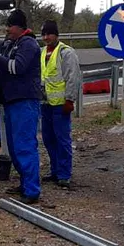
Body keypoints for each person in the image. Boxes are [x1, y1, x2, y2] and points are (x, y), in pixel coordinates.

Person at [0, 9, 43, 204]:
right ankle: (25, 184)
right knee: (14, 146)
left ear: (19, 27)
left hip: (24, 101)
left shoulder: (28, 44)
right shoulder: (12, 44)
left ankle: (32, 190)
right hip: (11, 101)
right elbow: (0, 66)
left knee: (24, 146)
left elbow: (16, 68)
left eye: (9, 26)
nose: (7, 30)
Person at [39, 20, 81, 189]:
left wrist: (70, 100)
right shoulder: (42, 53)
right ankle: (55, 170)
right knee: (49, 139)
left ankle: (64, 174)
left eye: (49, 34)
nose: (46, 37)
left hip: (61, 104)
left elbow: (73, 77)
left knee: (62, 139)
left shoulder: (66, 53)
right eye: (43, 34)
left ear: (56, 35)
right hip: (46, 103)